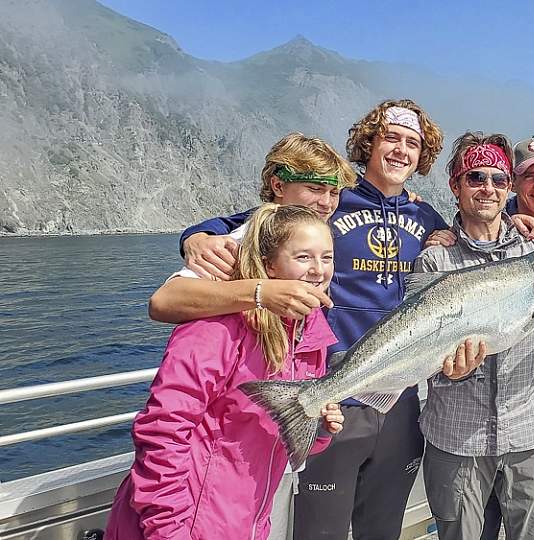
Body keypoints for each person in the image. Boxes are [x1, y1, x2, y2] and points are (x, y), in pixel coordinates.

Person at [105, 204, 345, 540]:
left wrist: (318, 426)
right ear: (270, 266)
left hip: (246, 522)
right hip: (182, 524)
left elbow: (283, 439)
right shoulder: (217, 328)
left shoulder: (309, 335)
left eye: (327, 257)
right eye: (304, 257)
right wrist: (168, 532)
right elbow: (163, 431)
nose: (318, 270)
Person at [411, 131, 534, 540]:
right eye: (475, 177)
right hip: (455, 436)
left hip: (527, 432)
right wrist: (447, 373)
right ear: (455, 185)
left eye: (498, 179)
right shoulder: (434, 258)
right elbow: (421, 349)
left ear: (509, 187)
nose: (488, 188)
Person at [149, 132, 357, 323]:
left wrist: (194, 234)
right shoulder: (243, 240)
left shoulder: (319, 229)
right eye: (315, 189)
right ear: (278, 186)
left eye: (334, 193)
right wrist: (261, 293)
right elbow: (163, 302)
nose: (327, 203)